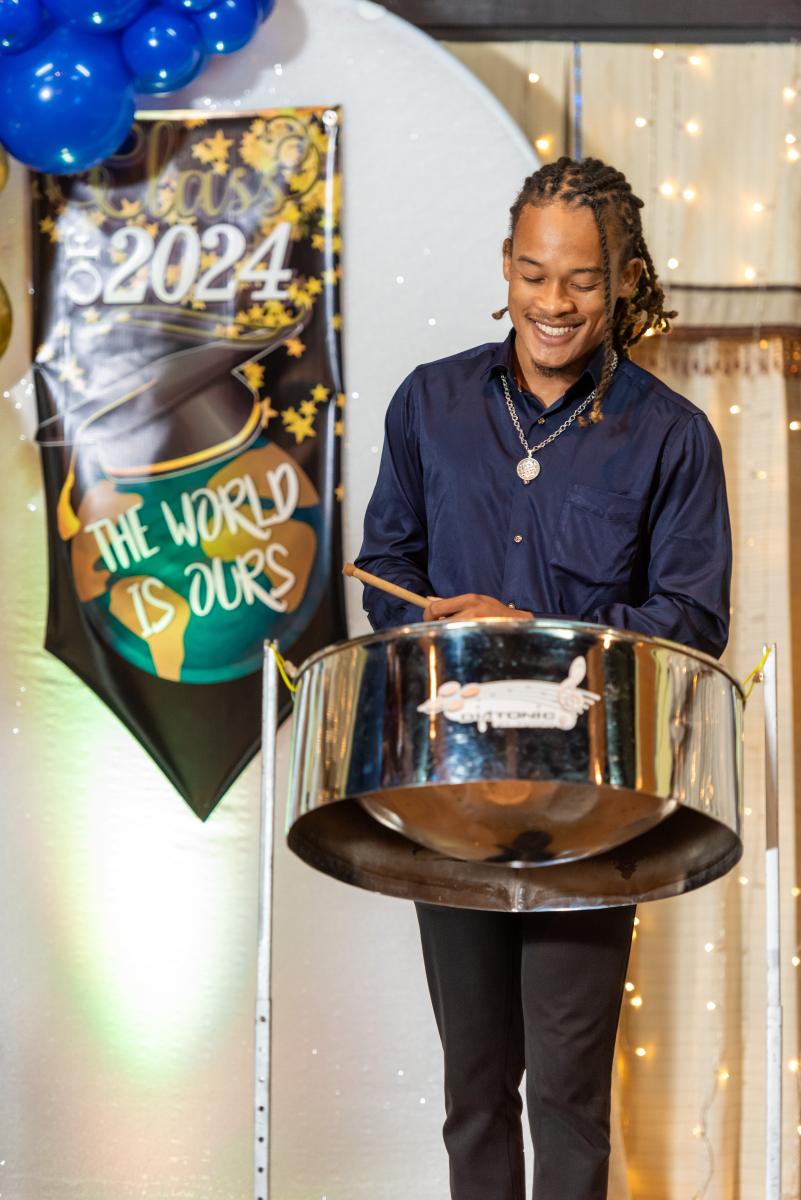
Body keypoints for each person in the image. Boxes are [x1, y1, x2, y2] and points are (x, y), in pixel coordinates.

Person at [354, 156, 732, 1200]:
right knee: (474, 1092)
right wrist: (436, 621)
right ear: (506, 266)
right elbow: (386, 573)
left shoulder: (672, 437)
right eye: (532, 274)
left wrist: (537, 633)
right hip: (454, 791)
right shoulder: (428, 405)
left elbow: (692, 618)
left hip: (592, 806)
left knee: (566, 1098)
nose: (552, 303)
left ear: (623, 279)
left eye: (580, 279)